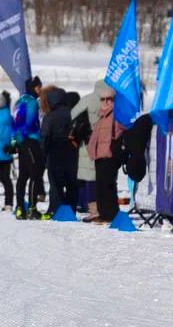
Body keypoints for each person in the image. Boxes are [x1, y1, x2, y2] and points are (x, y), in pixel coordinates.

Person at [71, 79, 111, 219]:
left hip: (87, 143)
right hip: (105, 143)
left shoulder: (87, 99)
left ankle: (88, 206)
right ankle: (100, 207)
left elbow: (72, 115)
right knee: (101, 177)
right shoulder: (110, 102)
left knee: (87, 177)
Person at [41, 87, 78, 218]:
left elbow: (44, 136)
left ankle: (55, 209)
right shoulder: (74, 113)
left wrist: (43, 154)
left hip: (55, 153)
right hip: (73, 153)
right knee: (71, 184)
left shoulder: (49, 116)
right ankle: (71, 209)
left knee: (56, 184)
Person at [89, 91, 124, 222]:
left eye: (109, 99)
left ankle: (111, 214)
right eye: (102, 99)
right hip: (99, 155)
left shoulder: (116, 114)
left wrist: (115, 148)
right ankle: (103, 213)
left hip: (109, 155)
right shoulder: (101, 115)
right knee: (100, 186)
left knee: (109, 186)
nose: (105, 102)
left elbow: (121, 131)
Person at [12, 77, 44, 219]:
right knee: (35, 175)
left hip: (21, 143)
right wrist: (24, 136)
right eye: (39, 87)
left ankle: (19, 208)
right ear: (34, 87)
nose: (41, 90)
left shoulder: (19, 101)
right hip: (30, 141)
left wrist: (16, 140)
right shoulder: (32, 102)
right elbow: (30, 122)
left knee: (23, 176)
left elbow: (14, 122)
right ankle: (32, 208)